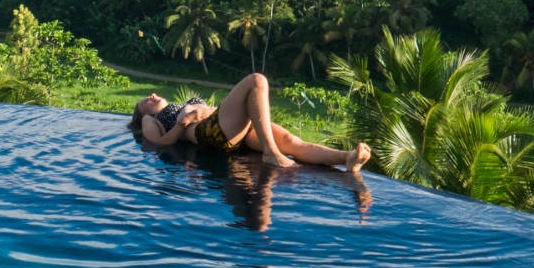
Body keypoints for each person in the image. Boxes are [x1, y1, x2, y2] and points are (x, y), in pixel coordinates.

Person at [128, 72, 371, 171]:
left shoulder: (178, 103)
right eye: (144, 101)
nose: (151, 97)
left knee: (290, 141)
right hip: (209, 131)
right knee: (257, 80)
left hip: (228, 126)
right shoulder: (152, 119)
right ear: (140, 114)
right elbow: (160, 144)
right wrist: (185, 122)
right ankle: (270, 153)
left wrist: (204, 109)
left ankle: (346, 158)